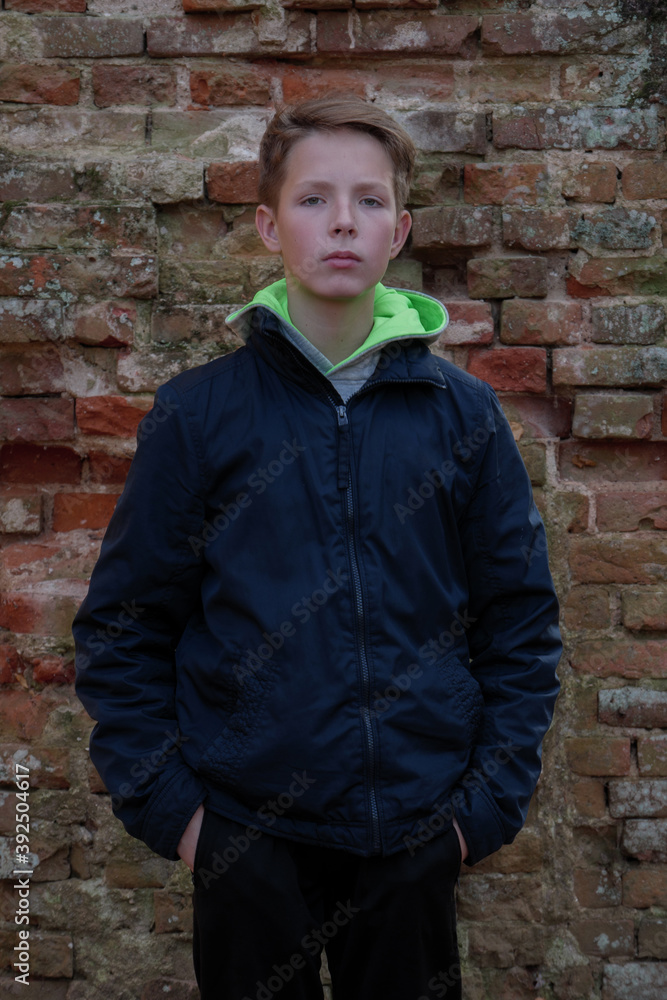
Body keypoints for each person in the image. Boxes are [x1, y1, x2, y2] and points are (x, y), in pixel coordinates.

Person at [73, 95, 562, 1000]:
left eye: (369, 201)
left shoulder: (461, 416)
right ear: (267, 225)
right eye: (313, 199)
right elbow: (125, 629)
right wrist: (185, 823)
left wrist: (474, 816)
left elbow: (519, 624)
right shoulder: (199, 413)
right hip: (245, 840)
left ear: (399, 228)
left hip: (414, 836)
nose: (343, 221)